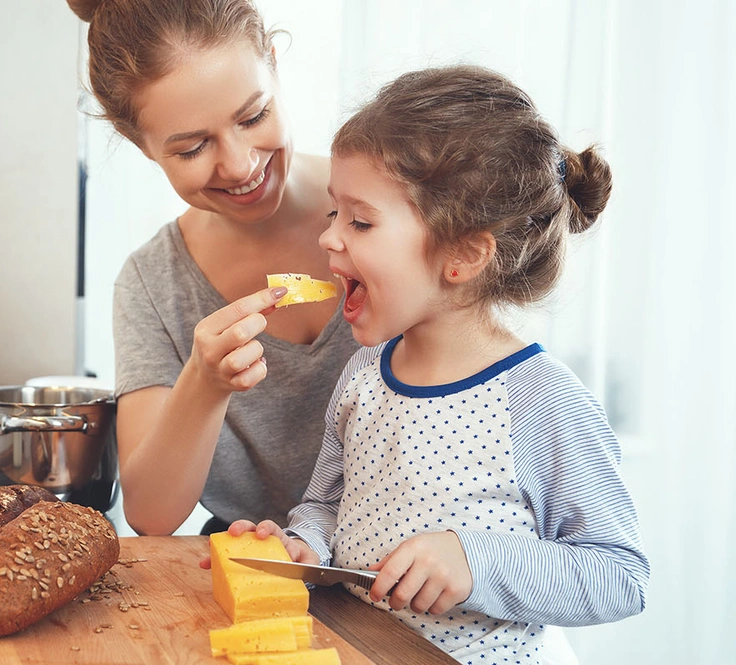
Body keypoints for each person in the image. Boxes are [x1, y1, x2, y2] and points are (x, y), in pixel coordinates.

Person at [227, 65, 650, 663]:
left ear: (463, 254)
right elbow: (326, 506)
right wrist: (304, 548)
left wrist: (477, 561)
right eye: (333, 214)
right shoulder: (365, 374)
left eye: (361, 221)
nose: (328, 240)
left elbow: (618, 575)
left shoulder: (539, 400)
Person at [66, 0, 360, 537]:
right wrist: (204, 383)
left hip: (418, 573)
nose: (241, 164)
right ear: (143, 146)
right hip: (257, 568)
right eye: (194, 147)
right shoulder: (152, 285)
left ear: (273, 63)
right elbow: (151, 515)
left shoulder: (398, 218)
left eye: (253, 117)